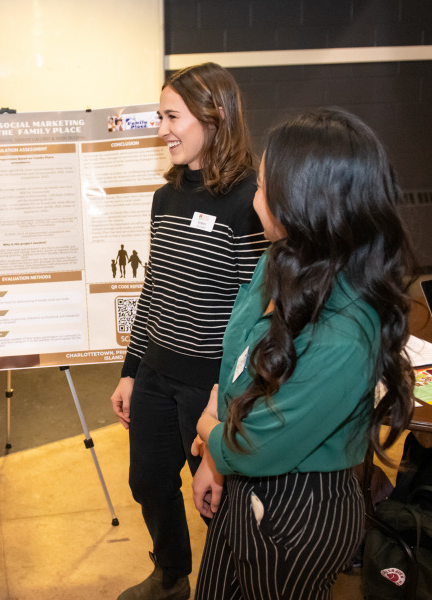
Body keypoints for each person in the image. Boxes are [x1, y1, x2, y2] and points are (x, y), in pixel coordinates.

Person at [191, 108, 416, 600]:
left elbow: (250, 446)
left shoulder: (344, 335)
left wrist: (211, 434)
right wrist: (217, 455)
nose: (253, 202)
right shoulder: (279, 260)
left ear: (306, 203)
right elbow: (237, 362)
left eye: (263, 187)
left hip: (298, 508)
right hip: (247, 484)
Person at [110, 62, 269, 600]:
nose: (161, 129)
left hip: (211, 386)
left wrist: (228, 398)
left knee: (215, 499)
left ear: (214, 115)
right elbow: (153, 287)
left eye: (171, 116)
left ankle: (233, 585)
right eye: (160, 116)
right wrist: (130, 371)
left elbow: (260, 311)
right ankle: (172, 575)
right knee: (148, 483)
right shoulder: (167, 197)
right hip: (155, 372)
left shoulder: (252, 201)